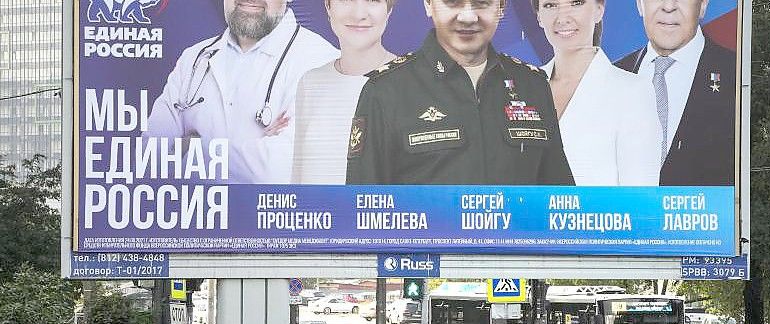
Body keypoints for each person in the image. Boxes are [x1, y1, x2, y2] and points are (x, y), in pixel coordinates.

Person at [345, 0, 574, 185]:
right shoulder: (385, 91)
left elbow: (560, 202)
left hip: (517, 243)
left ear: (501, 7)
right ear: (428, 4)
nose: (468, 16)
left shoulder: (533, 85)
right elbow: (361, 212)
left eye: (481, 3)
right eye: (452, 2)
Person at [144, 0, 339, 184]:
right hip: (196, 217)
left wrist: (188, 148)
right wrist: (249, 155)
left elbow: (279, 171)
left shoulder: (323, 62)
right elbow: (149, 159)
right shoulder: (193, 58)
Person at [534, 0, 660, 186]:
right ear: (539, 17)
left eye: (576, 3)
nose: (562, 17)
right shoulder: (524, 88)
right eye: (550, 5)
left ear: (599, 11)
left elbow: (640, 198)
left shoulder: (632, 92)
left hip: (600, 214)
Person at [615, 0, 735, 186]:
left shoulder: (735, 74)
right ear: (639, 4)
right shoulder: (611, 77)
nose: (669, 6)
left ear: (703, 5)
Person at [292, 0, 397, 184]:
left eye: (372, 0)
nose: (358, 14)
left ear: (388, 10)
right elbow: (299, 184)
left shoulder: (415, 83)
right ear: (327, 6)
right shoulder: (310, 83)